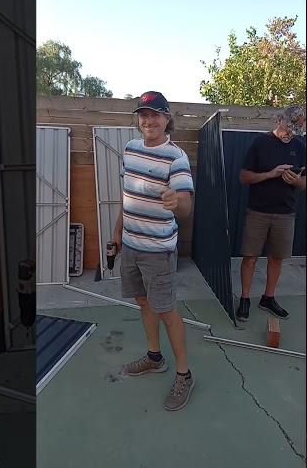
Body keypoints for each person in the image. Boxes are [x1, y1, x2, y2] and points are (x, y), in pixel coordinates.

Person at [112, 91, 195, 411]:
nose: (149, 120)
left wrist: (179, 203)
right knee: (143, 301)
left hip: (158, 251)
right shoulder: (130, 149)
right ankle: (154, 357)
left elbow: (185, 203)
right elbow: (127, 194)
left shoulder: (176, 157)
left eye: (155, 114)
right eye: (143, 114)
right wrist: (118, 232)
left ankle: (184, 375)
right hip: (131, 245)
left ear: (167, 118)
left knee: (166, 310)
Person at [235, 106, 306, 322]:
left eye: (296, 129)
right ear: (280, 119)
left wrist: (297, 181)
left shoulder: (300, 146)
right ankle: (245, 299)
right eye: (289, 127)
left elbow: (304, 183)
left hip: (285, 213)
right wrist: (270, 174)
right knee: (250, 258)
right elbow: (244, 177)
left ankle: (268, 297)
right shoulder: (260, 143)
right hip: (258, 211)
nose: (290, 133)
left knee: (277, 258)